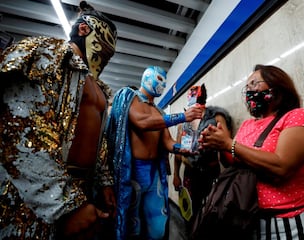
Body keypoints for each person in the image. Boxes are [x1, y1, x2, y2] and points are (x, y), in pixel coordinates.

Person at [0, 1, 117, 239]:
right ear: (84, 30)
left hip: (82, 190)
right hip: (34, 195)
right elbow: (21, 126)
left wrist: (104, 182)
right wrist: (63, 204)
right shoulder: (47, 53)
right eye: (104, 44)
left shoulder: (101, 89)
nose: (106, 53)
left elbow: (100, 142)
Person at [199, 64, 304, 239]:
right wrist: (215, 146)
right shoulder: (248, 124)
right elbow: (234, 161)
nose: (249, 91)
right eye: (246, 87)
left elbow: (282, 167)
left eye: (254, 84)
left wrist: (228, 144)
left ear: (277, 86)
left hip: (286, 222)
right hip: (247, 218)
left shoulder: (297, 117)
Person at [105, 66, 204, 240]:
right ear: (147, 77)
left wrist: (184, 150)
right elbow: (142, 122)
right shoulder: (130, 97)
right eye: (159, 79)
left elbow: (167, 141)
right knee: (132, 224)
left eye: (164, 82)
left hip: (154, 172)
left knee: (157, 226)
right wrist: (182, 117)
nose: (162, 84)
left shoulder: (159, 112)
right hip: (133, 171)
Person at [172, 84, 232, 238]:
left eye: (195, 93)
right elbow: (177, 151)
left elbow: (226, 144)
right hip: (189, 173)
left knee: (210, 208)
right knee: (190, 210)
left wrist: (230, 175)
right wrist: (176, 175)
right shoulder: (184, 121)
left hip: (210, 173)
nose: (193, 96)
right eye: (190, 94)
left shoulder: (216, 117)